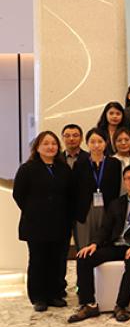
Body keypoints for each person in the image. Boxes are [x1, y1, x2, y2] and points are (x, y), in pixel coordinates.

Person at [68, 164, 130, 323]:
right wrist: (94, 243)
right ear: (124, 182)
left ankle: (121, 306)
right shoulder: (117, 203)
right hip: (116, 245)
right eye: (128, 179)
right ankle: (89, 304)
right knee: (84, 257)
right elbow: (105, 228)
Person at [13, 131, 73, 312]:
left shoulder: (63, 169)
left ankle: (55, 293)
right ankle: (39, 297)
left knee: (58, 259)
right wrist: (34, 210)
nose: (50, 147)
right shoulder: (27, 168)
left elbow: (70, 194)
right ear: (37, 147)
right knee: (39, 260)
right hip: (36, 224)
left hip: (60, 222)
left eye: (53, 144)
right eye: (46, 144)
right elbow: (19, 195)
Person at [73, 129, 122, 249]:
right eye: (92, 142)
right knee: (84, 246)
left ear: (106, 143)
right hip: (85, 210)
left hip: (107, 208)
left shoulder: (114, 163)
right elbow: (75, 190)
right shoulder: (80, 163)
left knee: (104, 243)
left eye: (100, 141)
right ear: (87, 143)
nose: (96, 145)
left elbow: (116, 188)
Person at [112, 128, 130, 194]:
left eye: (127, 140)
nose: (123, 143)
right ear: (114, 143)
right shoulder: (110, 162)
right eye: (119, 140)